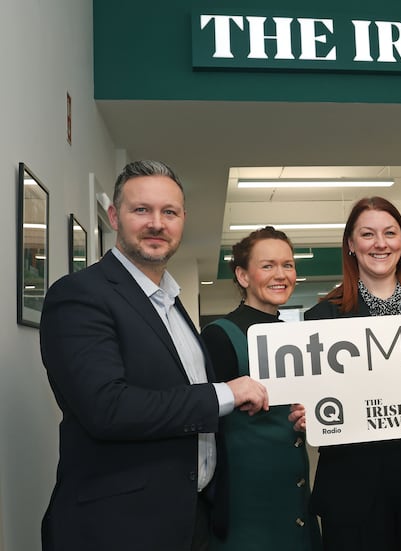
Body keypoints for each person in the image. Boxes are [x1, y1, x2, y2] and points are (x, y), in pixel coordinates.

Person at [39, 160, 269, 551]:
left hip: (190, 519)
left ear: (182, 220)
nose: (156, 224)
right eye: (141, 210)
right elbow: (107, 408)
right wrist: (225, 394)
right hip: (119, 529)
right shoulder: (80, 295)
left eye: (170, 212)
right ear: (114, 216)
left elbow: (178, 401)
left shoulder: (172, 304)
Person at [300, 196, 401, 551]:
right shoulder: (320, 321)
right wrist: (307, 412)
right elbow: (315, 404)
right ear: (350, 244)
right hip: (353, 496)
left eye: (390, 233)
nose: (380, 243)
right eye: (367, 234)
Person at [200, 227, 321, 551]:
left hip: (296, 498)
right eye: (267, 266)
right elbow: (203, 417)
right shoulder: (220, 336)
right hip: (246, 505)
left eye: (288, 265)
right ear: (243, 275)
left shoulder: (293, 337)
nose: (281, 275)